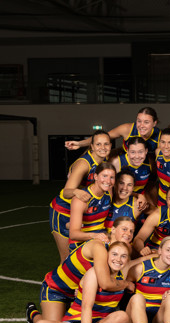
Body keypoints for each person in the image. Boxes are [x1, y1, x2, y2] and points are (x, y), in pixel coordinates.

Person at [27, 217, 137, 323]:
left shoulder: (119, 252)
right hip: (56, 289)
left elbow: (130, 265)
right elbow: (106, 284)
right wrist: (126, 284)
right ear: (113, 229)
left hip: (78, 293)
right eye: (124, 229)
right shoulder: (100, 247)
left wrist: (153, 255)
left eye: (131, 231)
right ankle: (33, 314)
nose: (128, 233)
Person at [32, 242, 131, 323]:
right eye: (114, 254)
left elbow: (140, 262)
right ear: (107, 256)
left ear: (127, 259)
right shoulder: (93, 273)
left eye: (123, 256)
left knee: (122, 317)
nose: (118, 259)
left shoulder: (122, 275)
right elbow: (86, 307)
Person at [50, 130, 112, 261]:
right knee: (67, 258)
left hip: (82, 212)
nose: (103, 148)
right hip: (63, 210)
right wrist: (76, 191)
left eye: (106, 144)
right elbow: (66, 191)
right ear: (92, 146)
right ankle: (56, 281)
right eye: (99, 144)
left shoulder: (104, 160)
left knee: (82, 257)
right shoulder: (84, 164)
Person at [133, 182, 170, 262]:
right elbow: (138, 238)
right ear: (166, 200)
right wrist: (142, 249)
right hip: (154, 249)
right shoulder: (157, 215)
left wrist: (163, 254)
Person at [65, 107, 162, 154]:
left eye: (146, 122)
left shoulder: (160, 136)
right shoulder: (127, 129)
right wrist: (79, 144)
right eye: (139, 121)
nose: (141, 126)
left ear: (154, 123)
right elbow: (101, 138)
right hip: (124, 158)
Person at [68, 162, 115, 251]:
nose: (108, 181)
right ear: (95, 177)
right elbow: (73, 234)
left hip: (101, 237)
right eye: (104, 176)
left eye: (112, 177)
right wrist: (95, 236)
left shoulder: (109, 190)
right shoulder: (81, 200)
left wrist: (138, 195)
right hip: (81, 242)